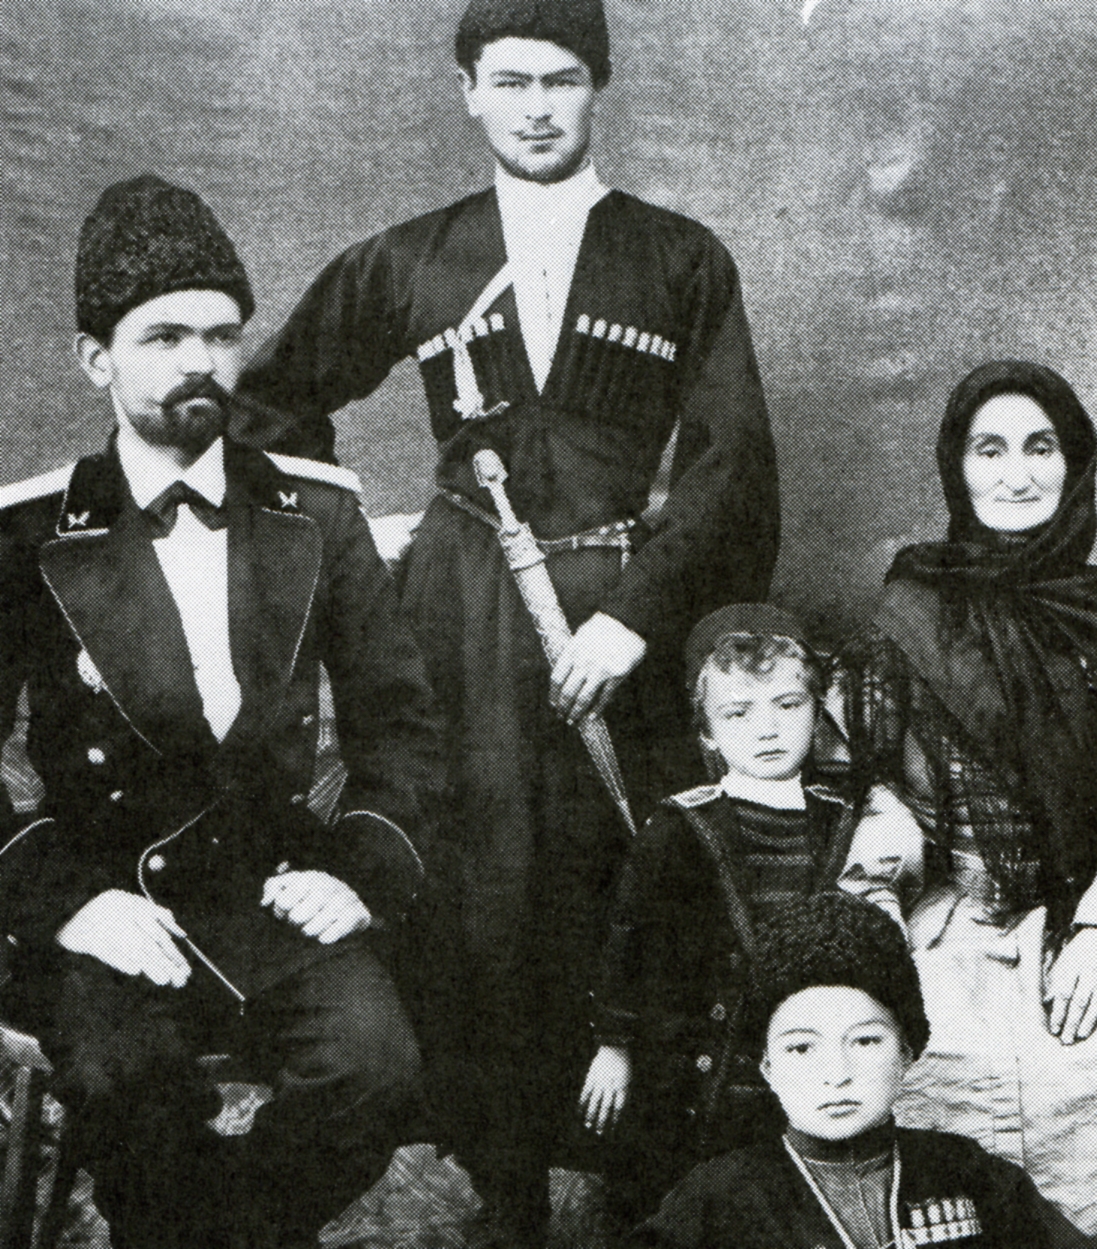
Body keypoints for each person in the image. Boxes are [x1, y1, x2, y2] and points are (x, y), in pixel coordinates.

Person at [233, 0, 779, 1236]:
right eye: (512, 80)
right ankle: (504, 1193)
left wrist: (637, 615)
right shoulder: (413, 258)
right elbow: (267, 409)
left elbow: (733, 461)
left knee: (621, 885)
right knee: (473, 892)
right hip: (454, 620)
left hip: (615, 622)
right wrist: (358, 539)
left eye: (562, 80)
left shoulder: (680, 257)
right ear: (467, 90)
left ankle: (639, 1194)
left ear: (599, 88)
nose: (537, 107)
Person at [0, 174, 440, 1249]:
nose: (199, 359)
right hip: (110, 902)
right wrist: (64, 900)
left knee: (377, 1071)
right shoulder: (26, 533)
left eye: (221, 334)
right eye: (163, 336)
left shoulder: (316, 512)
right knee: (125, 1082)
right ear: (96, 359)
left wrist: (358, 871)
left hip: (270, 890)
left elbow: (399, 726)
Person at [841, 360, 1097, 1249]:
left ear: (1073, 464)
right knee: (922, 1059)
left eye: (1039, 447)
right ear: (957, 466)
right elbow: (882, 794)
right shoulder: (909, 613)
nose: (1015, 474)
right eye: (989, 450)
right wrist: (878, 911)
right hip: (950, 912)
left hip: (1096, 914)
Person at [584, 602, 897, 1223]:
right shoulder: (680, 826)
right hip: (694, 1061)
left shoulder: (842, 820)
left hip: (800, 1056)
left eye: (788, 705)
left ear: (816, 713)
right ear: (707, 732)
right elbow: (630, 937)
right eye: (739, 713)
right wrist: (614, 1045)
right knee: (684, 1202)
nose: (768, 729)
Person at [638, 890, 1089, 1248]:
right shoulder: (718, 1196)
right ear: (768, 1067)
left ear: (907, 1052)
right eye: (801, 1048)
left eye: (865, 1041)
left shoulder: (966, 1172)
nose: (837, 1073)